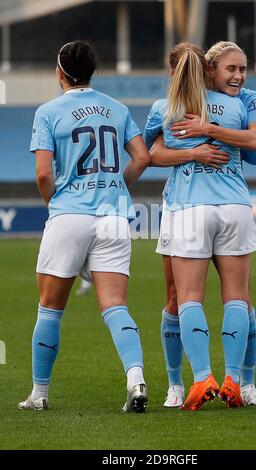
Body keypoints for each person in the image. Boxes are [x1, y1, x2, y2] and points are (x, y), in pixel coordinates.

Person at [18, 41, 150, 413]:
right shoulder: (118, 108)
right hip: (113, 217)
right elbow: (142, 157)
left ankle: (39, 395)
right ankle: (136, 380)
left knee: (50, 308)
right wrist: (118, 186)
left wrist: (55, 204)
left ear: (59, 73)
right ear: (93, 71)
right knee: (114, 306)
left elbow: (44, 173)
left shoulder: (48, 112)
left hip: (69, 215)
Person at [148, 42, 256, 407]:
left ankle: (203, 380)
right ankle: (233, 381)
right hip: (234, 206)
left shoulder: (165, 107)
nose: (238, 76)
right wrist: (203, 143)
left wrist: (203, 132)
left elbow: (148, 153)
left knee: (187, 299)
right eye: (231, 69)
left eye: (242, 69)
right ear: (208, 70)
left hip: (189, 209)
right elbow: (255, 151)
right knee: (237, 300)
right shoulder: (237, 108)